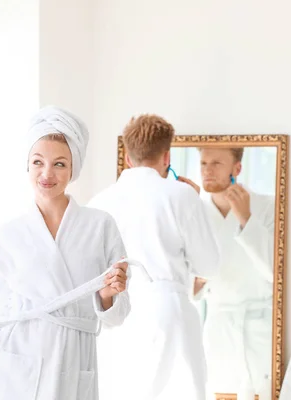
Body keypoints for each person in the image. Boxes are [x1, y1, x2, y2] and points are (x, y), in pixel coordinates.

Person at [0, 106, 130, 400]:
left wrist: (110, 294)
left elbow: (116, 317)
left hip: (74, 361)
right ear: (27, 165)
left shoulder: (101, 226)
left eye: (60, 164)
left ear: (74, 168)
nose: (47, 173)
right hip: (16, 364)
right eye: (38, 162)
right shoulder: (6, 235)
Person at [88, 114, 220, 400]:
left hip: (114, 323)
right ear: (167, 155)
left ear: (127, 157)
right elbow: (209, 265)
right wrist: (194, 201)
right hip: (168, 313)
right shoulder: (182, 195)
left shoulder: (97, 204)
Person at [194, 147, 275, 396]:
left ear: (236, 169)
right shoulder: (195, 213)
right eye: (204, 162)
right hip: (218, 330)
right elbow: (188, 285)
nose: (207, 170)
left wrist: (246, 220)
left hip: (260, 328)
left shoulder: (267, 206)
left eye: (217, 162)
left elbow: (277, 272)